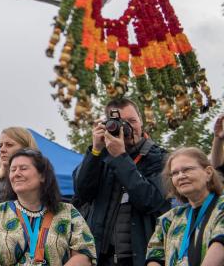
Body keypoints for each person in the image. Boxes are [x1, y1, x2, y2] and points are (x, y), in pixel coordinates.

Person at [72, 97, 169, 266]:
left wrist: (121, 158)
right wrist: (95, 150)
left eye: (132, 121)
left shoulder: (159, 158)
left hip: (140, 257)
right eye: (121, 122)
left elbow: (151, 201)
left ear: (141, 121)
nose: (128, 128)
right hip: (99, 257)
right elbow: (82, 193)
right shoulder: (101, 156)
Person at [0, 149, 96, 266]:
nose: (16, 174)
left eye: (23, 168)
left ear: (42, 176)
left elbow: (84, 255)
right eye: (13, 169)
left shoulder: (68, 212)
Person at [145, 147, 224, 266]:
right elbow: (154, 257)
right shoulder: (169, 218)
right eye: (175, 173)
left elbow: (220, 243)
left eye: (187, 169)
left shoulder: (221, 205)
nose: (181, 176)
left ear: (208, 172)